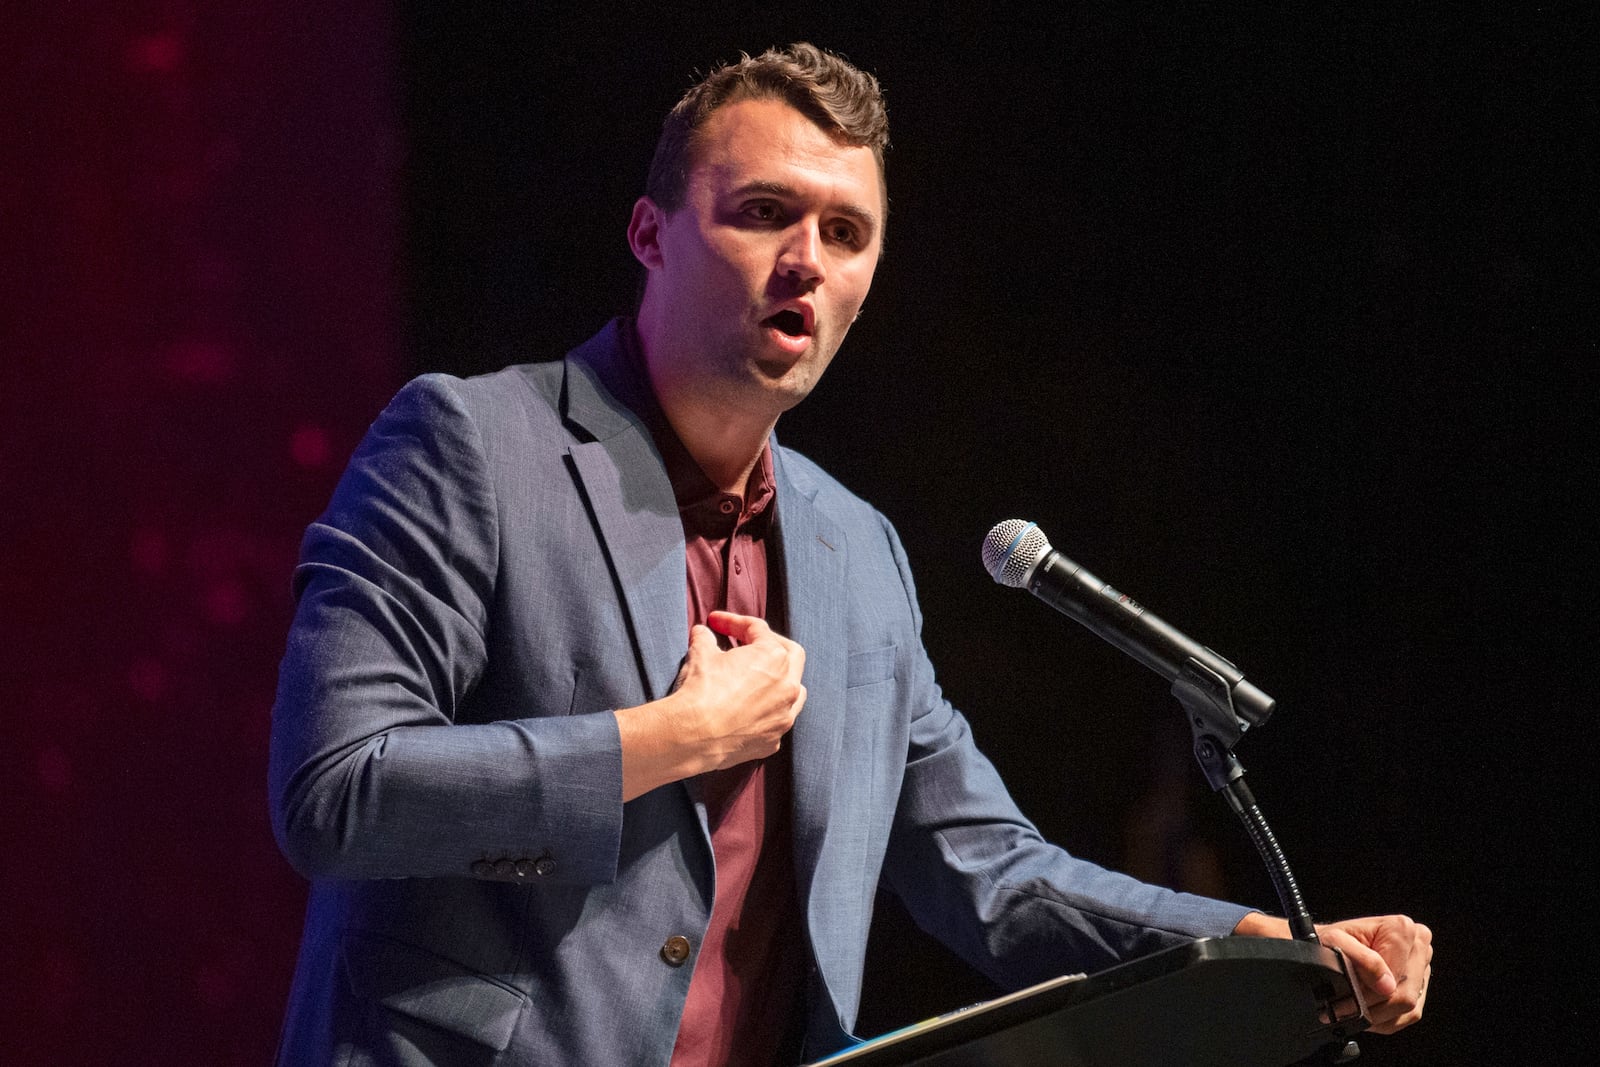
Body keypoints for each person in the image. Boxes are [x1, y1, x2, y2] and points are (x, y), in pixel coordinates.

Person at [269, 42, 1430, 1065]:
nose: (806, 260)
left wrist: (1249, 944)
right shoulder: (475, 445)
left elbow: (989, 869)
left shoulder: (855, 551)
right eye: (763, 211)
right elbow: (337, 792)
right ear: (650, 234)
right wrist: (668, 739)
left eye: (845, 231)